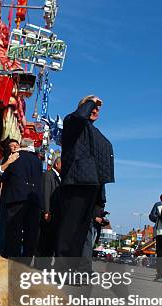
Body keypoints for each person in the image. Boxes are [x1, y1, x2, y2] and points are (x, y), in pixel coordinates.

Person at [56, 95, 114, 267]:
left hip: (92, 185)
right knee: (70, 229)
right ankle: (62, 268)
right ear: (83, 107)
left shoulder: (93, 132)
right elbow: (80, 116)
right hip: (77, 182)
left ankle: (73, 269)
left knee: (80, 233)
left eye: (98, 109)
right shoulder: (72, 122)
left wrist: (100, 197)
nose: (95, 110)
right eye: (92, 107)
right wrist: (91, 101)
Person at [0, 138, 43, 258]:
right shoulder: (38, 161)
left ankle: (12, 258)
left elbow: (1, 175)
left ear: (21, 145)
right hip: (33, 200)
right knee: (30, 232)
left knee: (14, 231)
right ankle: (26, 260)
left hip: (16, 198)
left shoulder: (15, 157)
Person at [0, 140, 21, 256]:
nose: (14, 147)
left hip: (19, 200)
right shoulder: (6, 160)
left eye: (16, 145)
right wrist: (9, 161)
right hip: (7, 198)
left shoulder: (23, 160)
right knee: (4, 226)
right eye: (11, 146)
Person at [37, 157, 62, 257]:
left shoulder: (59, 177)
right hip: (48, 213)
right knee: (44, 240)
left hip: (56, 214)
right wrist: (46, 211)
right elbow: (45, 193)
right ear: (57, 164)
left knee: (51, 240)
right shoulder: (48, 175)